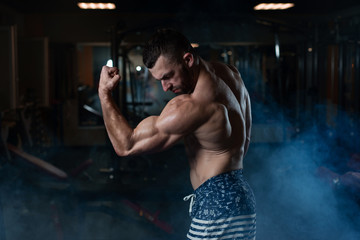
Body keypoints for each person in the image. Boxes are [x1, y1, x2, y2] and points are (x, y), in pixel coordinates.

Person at [98, 28, 256, 240]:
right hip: (242, 199)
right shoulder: (231, 75)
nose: (164, 87)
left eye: (168, 77)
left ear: (188, 59)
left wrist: (104, 94)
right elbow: (245, 140)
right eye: (159, 80)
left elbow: (126, 145)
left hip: (216, 208)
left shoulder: (192, 106)